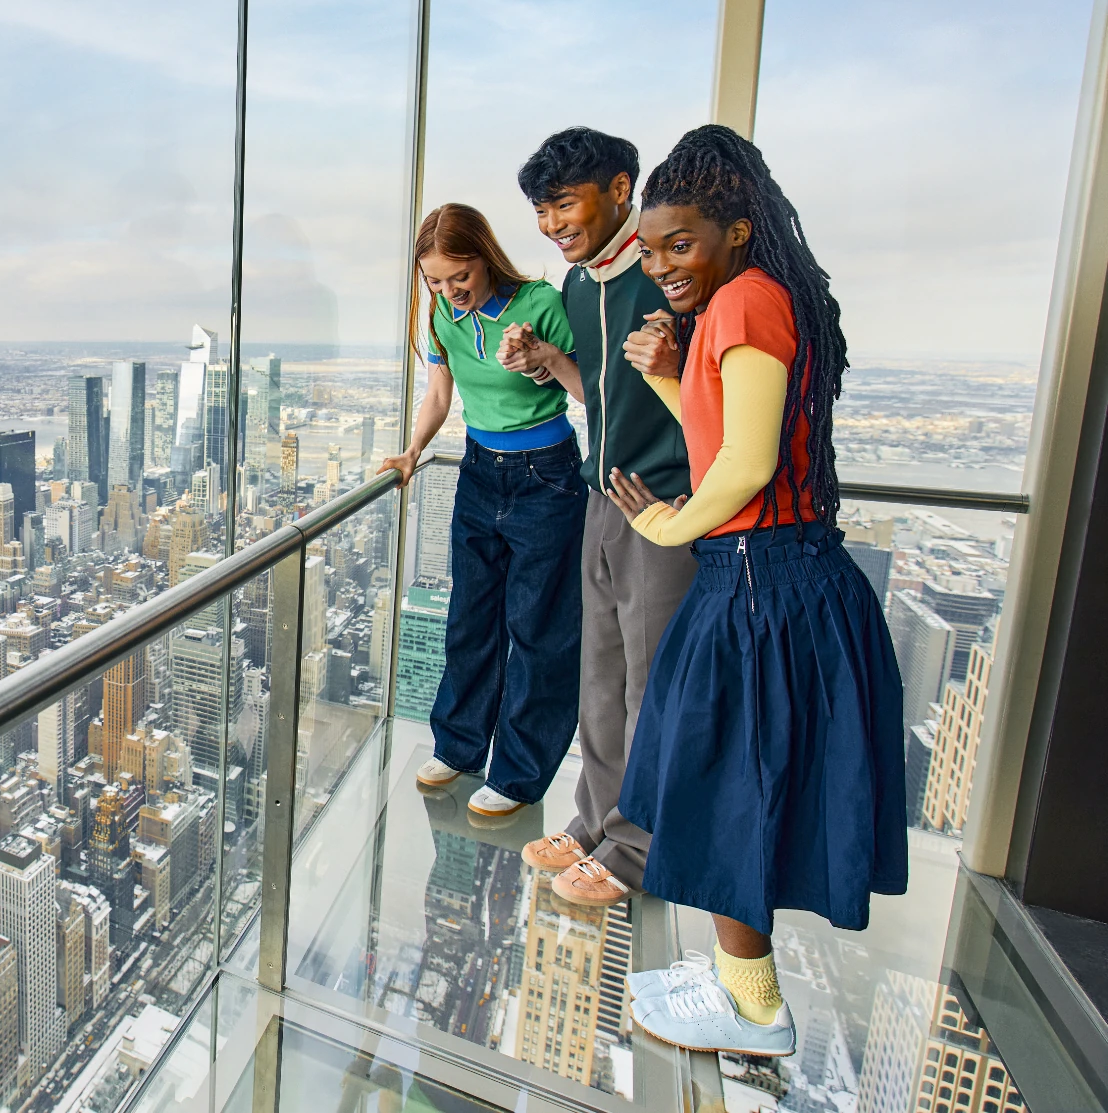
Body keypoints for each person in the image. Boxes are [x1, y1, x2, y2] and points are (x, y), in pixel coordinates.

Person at [604, 125, 906, 1057]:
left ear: (736, 229)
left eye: (679, 243)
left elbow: (743, 462)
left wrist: (666, 523)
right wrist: (664, 376)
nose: (661, 267)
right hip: (781, 576)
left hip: (759, 585)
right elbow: (724, 436)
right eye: (650, 250)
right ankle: (742, 985)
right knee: (734, 786)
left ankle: (756, 1009)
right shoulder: (766, 298)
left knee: (725, 787)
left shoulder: (743, 304)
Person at [493, 128, 698, 911]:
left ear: (621, 188)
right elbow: (600, 396)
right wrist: (547, 360)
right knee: (601, 679)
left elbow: (710, 398)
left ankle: (638, 849)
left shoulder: (670, 278)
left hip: (665, 506)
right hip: (602, 498)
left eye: (563, 203)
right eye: (542, 209)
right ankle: (593, 826)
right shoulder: (582, 286)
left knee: (651, 686)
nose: (551, 222)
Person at [379, 202, 585, 821]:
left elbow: (587, 390)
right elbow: (440, 391)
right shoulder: (444, 314)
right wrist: (414, 449)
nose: (448, 291)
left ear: (486, 258)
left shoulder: (540, 303)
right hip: (477, 471)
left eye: (458, 277)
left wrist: (544, 357)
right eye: (435, 280)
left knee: (538, 632)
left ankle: (520, 775)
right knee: (469, 620)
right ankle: (460, 747)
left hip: (546, 476)